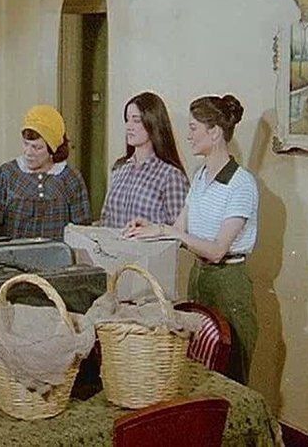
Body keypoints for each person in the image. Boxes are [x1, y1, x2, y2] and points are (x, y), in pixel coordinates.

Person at [125, 94, 258, 384]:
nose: (188, 136)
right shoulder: (199, 177)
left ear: (215, 132)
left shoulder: (241, 184)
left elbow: (218, 250)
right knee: (198, 369)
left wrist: (171, 232)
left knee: (230, 375)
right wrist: (153, 228)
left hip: (229, 284)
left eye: (194, 128)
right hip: (199, 277)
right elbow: (179, 227)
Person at [0, 104, 91, 239]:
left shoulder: (70, 178)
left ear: (52, 149)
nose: (28, 152)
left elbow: (82, 231)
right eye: (26, 144)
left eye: (37, 148)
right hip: (14, 252)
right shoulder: (7, 174)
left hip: (57, 252)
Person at [100, 91, 189, 228]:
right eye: (127, 120)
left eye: (136, 120)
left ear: (152, 123)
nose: (129, 127)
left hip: (150, 242)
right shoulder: (120, 169)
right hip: (112, 241)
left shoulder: (171, 176)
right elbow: (106, 219)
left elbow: (180, 231)